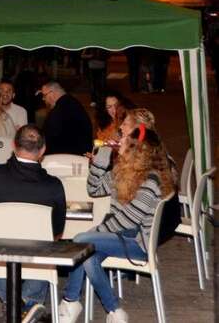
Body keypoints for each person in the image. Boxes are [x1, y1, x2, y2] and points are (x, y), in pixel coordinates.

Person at [58, 127, 175, 323]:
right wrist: (101, 157)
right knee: (88, 257)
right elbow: (94, 189)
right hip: (118, 236)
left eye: (125, 139)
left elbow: (130, 219)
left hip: (137, 242)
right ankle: (115, 312)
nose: (119, 140)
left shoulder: (151, 179)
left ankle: (70, 301)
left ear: (136, 149)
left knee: (80, 241)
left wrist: (95, 232)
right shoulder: (122, 170)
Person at [0, 125, 66, 320]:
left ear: (13, 146)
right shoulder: (53, 186)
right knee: (50, 244)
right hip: (36, 258)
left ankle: (14, 306)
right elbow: (57, 232)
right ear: (43, 150)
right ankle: (28, 303)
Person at [38, 81, 93, 156]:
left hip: (66, 156)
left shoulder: (60, 109)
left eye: (44, 95)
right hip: (79, 154)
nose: (43, 99)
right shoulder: (72, 102)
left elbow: (49, 136)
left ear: (52, 93)